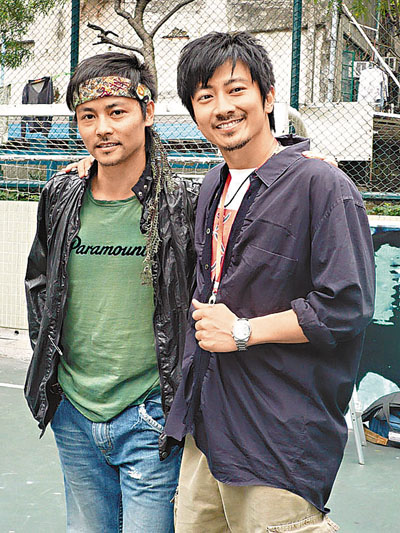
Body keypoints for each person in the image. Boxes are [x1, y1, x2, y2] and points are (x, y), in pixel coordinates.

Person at [162, 32, 376, 532]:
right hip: (207, 430)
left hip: (277, 437)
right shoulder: (212, 185)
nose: (222, 107)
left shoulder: (322, 185)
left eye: (236, 89)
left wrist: (243, 332)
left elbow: (345, 306)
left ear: (269, 96)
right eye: (205, 96)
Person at [24, 52, 196, 533]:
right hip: (74, 413)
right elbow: (39, 286)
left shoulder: (184, 203)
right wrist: (53, 375)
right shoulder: (60, 196)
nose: (102, 128)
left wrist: (300, 158)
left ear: (148, 112)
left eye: (117, 112)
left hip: (151, 413)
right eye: (88, 116)